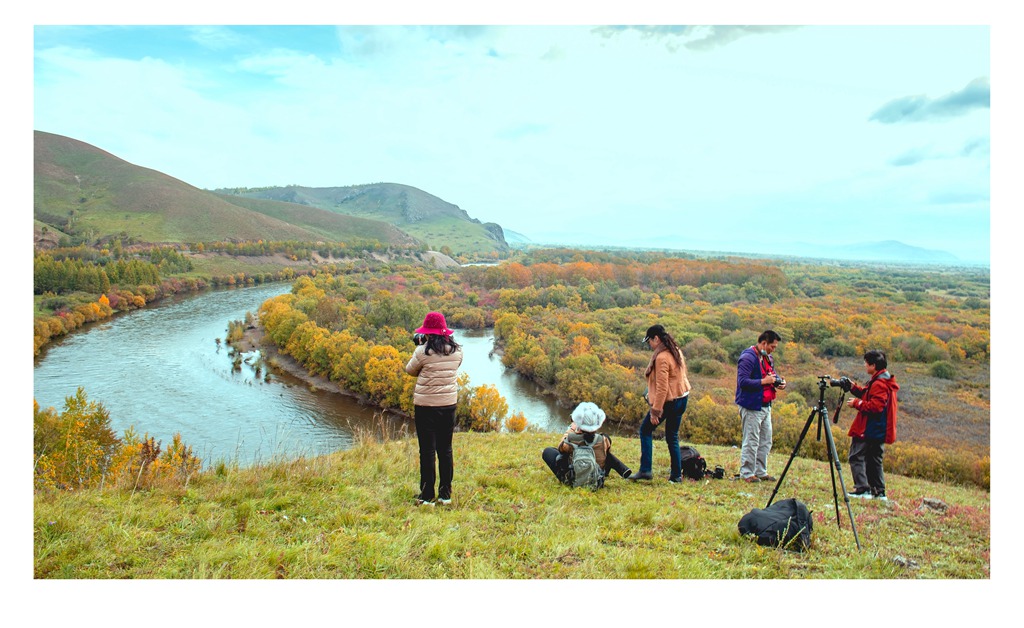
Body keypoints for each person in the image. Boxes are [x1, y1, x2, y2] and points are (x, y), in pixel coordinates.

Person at [404, 311, 463, 507]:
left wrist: (420, 346)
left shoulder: (422, 352)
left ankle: (427, 495)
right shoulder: (457, 352)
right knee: (445, 450)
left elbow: (410, 370)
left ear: (427, 332)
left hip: (426, 406)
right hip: (448, 405)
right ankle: (445, 495)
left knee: (427, 451)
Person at [629, 324, 692, 483]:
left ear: (656, 338)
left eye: (649, 341)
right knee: (672, 437)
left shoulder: (662, 357)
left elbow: (662, 388)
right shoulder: (675, 350)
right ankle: (676, 476)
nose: (649, 344)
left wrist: (655, 411)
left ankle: (645, 470)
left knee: (645, 430)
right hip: (682, 397)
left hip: (670, 401)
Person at [845, 350, 899, 501]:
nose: (864, 365)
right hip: (879, 429)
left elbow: (876, 406)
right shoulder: (883, 380)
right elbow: (869, 395)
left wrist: (857, 403)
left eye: (866, 363)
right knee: (874, 459)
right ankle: (878, 492)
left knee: (856, 456)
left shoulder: (879, 383)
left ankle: (863, 489)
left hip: (869, 427)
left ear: (873, 365)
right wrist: (852, 387)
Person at [735, 330, 785, 483]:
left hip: (765, 405)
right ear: (764, 343)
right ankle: (747, 473)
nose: (773, 350)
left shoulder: (767, 358)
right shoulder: (748, 358)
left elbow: (771, 375)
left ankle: (760, 471)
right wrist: (764, 382)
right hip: (751, 405)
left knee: (765, 440)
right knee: (751, 440)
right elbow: (743, 382)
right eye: (772, 346)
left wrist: (779, 382)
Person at [542, 402, 632, 484]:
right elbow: (606, 453)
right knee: (606, 454)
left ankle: (566, 479)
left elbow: (560, 448)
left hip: (574, 480)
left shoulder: (571, 439)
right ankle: (620, 471)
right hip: (597, 480)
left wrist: (572, 429)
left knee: (549, 451)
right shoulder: (604, 439)